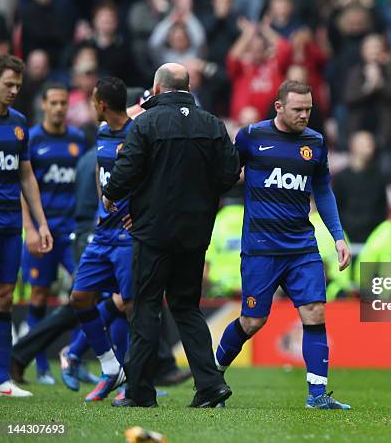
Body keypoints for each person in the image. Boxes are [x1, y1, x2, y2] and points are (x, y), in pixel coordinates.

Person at [102, 63, 240, 408]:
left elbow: (127, 171)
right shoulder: (211, 124)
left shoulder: (146, 123)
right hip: (194, 234)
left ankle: (139, 392)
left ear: (157, 88)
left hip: (153, 232)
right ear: (188, 88)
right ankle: (210, 385)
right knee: (186, 307)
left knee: (147, 308)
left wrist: (111, 193)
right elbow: (229, 175)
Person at [214, 80, 352, 409]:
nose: (305, 115)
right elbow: (225, 177)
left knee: (315, 312)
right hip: (261, 246)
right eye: (298, 109)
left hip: (301, 246)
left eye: (309, 109)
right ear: (279, 107)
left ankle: (317, 396)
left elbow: (324, 191)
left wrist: (338, 236)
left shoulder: (315, 143)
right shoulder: (251, 137)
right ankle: (212, 377)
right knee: (253, 321)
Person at [68, 76, 134, 402]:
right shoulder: (103, 132)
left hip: (129, 238)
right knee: (80, 297)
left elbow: (153, 180)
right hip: (103, 233)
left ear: (102, 104)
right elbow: (99, 172)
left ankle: (137, 380)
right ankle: (111, 366)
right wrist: (101, 204)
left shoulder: (138, 134)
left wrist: (141, 213)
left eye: (93, 101)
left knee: (134, 307)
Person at [21, 82, 87, 384]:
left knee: (84, 291)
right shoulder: (32, 139)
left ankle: (74, 358)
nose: (60, 108)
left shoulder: (76, 139)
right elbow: (23, 185)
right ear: (44, 105)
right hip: (43, 230)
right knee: (38, 295)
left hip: (71, 230)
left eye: (64, 103)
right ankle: (41, 366)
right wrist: (32, 228)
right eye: (55, 103)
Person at [0, 54, 53, 397]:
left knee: (5, 297)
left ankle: (3, 379)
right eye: (8, 84)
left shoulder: (19, 124)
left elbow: (26, 176)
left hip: (10, 224)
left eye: (18, 85)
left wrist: (40, 222)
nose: (14, 90)